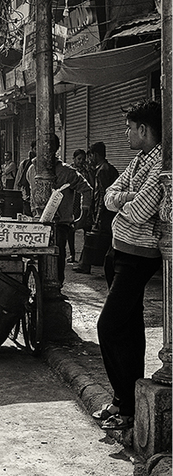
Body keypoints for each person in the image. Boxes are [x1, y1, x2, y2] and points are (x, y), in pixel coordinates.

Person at [94, 99, 163, 431]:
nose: (125, 134)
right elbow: (111, 194)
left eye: (129, 128)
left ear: (143, 129)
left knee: (107, 327)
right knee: (130, 328)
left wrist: (123, 200)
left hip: (138, 255)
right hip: (119, 250)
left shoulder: (161, 163)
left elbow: (139, 211)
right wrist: (126, 198)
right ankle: (126, 401)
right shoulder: (139, 160)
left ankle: (125, 402)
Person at [26, 134, 92, 289]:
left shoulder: (67, 172)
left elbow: (86, 190)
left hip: (60, 224)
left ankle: (55, 288)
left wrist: (83, 215)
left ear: (55, 149)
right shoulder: (31, 169)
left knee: (57, 256)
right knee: (40, 258)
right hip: (39, 223)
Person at [73, 142, 119, 274]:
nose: (89, 159)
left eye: (91, 155)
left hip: (105, 212)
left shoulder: (102, 171)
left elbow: (101, 195)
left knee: (96, 238)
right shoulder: (109, 169)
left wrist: (97, 215)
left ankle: (85, 265)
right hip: (110, 210)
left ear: (96, 155)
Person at [67, 148, 92, 263]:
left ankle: (85, 257)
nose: (81, 161)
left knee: (87, 228)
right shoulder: (70, 171)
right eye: (79, 159)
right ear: (74, 159)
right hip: (73, 202)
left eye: (83, 159)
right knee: (71, 228)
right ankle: (72, 254)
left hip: (84, 202)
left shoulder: (87, 171)